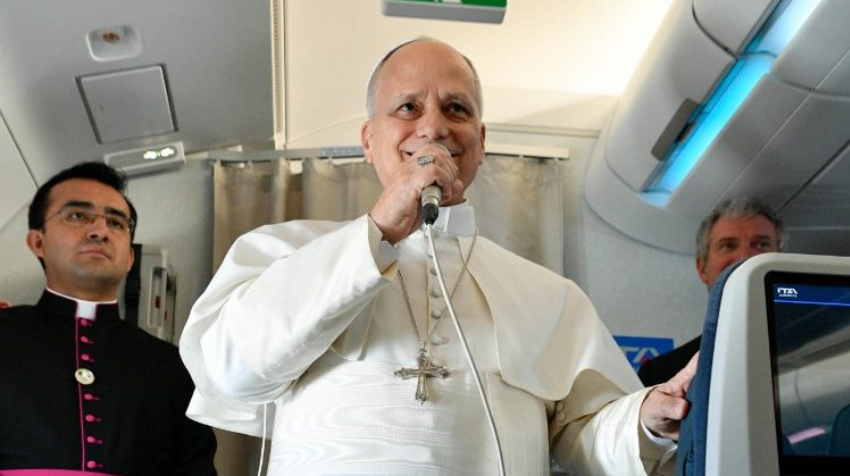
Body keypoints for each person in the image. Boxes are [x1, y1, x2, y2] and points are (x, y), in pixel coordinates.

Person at [180, 38, 692, 475]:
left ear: (481, 140)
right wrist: (377, 230)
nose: (433, 127)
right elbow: (232, 371)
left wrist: (647, 419)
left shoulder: (550, 295)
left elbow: (588, 437)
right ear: (368, 139)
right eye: (407, 107)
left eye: (456, 109)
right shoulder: (283, 250)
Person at [0, 162, 217, 475]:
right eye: (78, 215)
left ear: (130, 257)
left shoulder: (173, 367)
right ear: (37, 241)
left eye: (116, 223)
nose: (100, 231)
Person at [638, 197, 783, 386]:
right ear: (702, 268)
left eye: (761, 244)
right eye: (728, 245)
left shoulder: (822, 346)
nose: (745, 257)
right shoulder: (661, 375)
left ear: (780, 260)